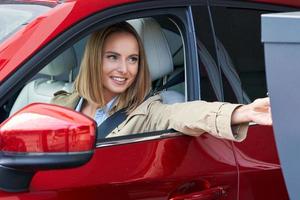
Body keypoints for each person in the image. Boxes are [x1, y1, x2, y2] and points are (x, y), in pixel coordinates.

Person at [51, 22, 272, 142]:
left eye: (133, 59)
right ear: (94, 60)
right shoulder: (61, 103)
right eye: (113, 57)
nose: (124, 69)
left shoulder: (146, 112)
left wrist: (242, 112)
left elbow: (183, 113)